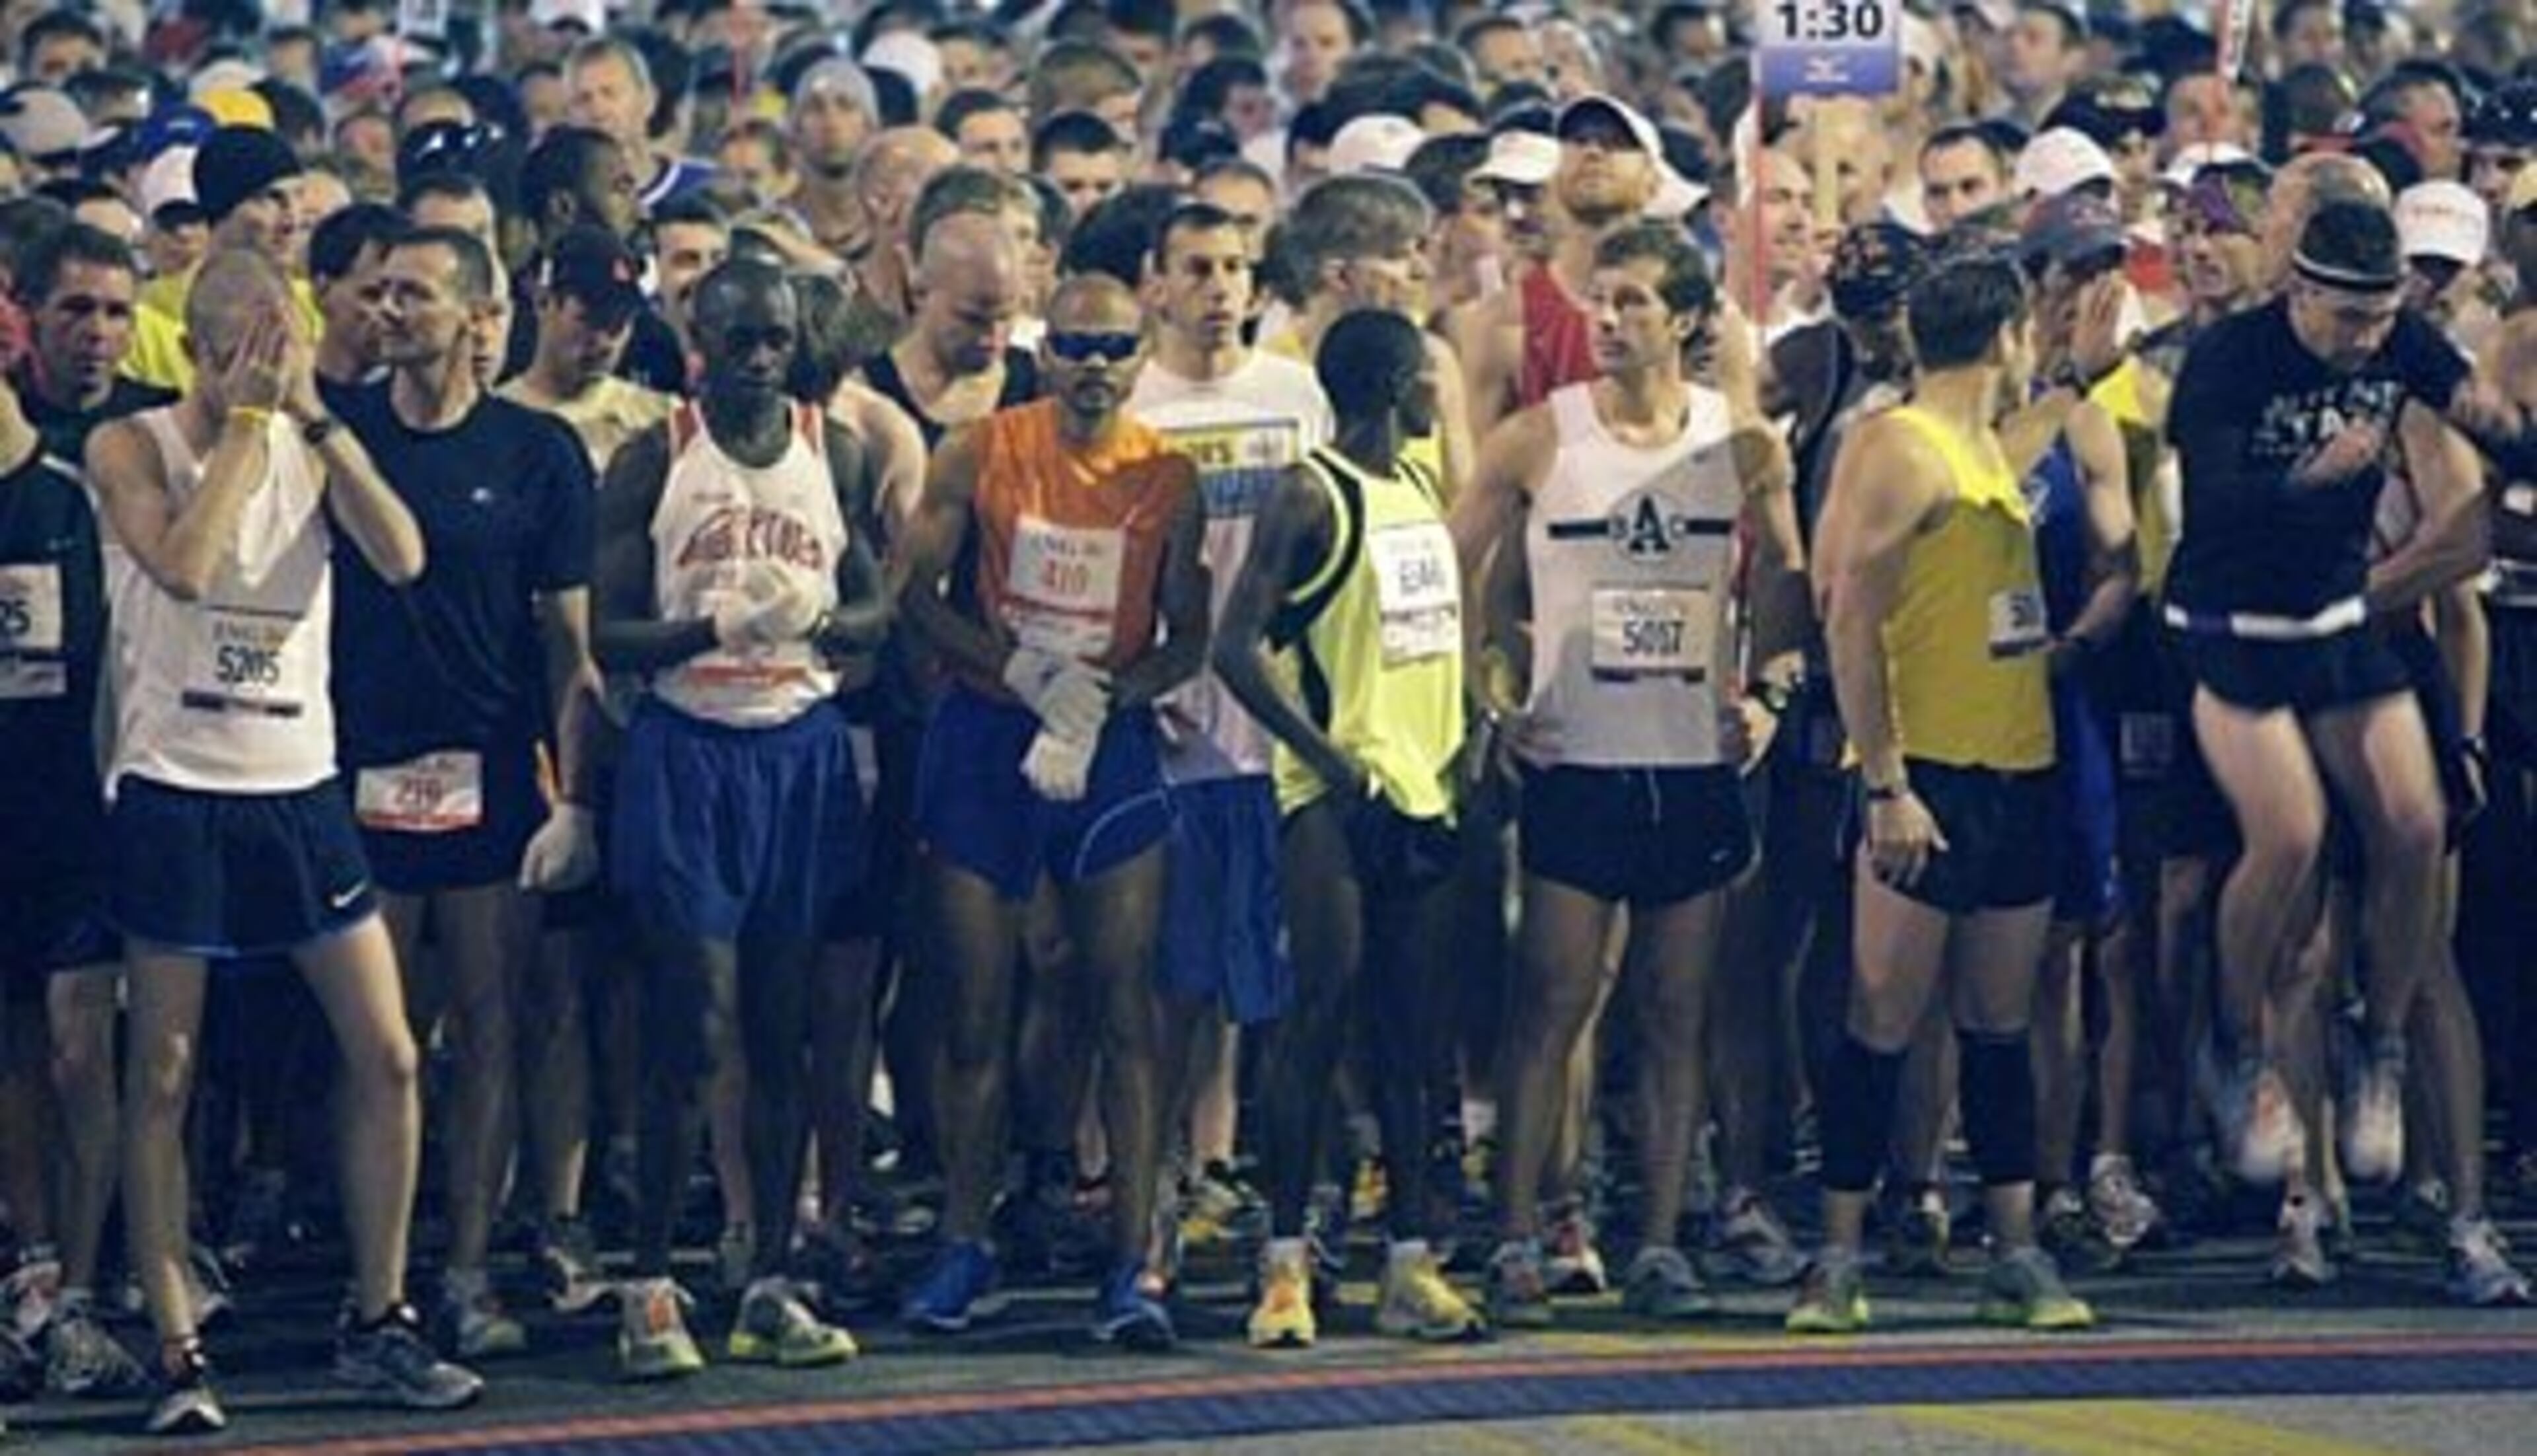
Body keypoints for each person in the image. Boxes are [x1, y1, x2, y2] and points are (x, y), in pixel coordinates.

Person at [85, 248, 479, 1434]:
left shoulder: (311, 438)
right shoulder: (131, 445)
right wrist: (247, 427)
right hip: (175, 787)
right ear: (205, 352)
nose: (275, 368)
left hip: (298, 786)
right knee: (163, 1072)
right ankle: (174, 1344)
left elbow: (404, 556)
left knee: (390, 1052)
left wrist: (315, 423)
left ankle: (381, 1314)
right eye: (253, 351)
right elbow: (191, 565)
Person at [1452, 224, 1803, 1325]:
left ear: (1689, 321)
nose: (1609, 320)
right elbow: (1449, 568)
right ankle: (1517, 1234)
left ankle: (1656, 1241)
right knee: (1550, 1006)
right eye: (1602, 301)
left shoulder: (1739, 442)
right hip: (1581, 763)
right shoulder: (1537, 439)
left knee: (1675, 1014)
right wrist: (1486, 698)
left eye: (1636, 302)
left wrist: (1769, 698)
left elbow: (1789, 580)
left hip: (1691, 765)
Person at [894, 273, 1206, 1350]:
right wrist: (1019, 669)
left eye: (1114, 346)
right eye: (1073, 343)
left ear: (1138, 352)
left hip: (1107, 751)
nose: (1093, 364)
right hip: (987, 739)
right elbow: (912, 597)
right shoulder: (980, 449)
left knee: (1126, 1009)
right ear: (1045, 349)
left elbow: (1192, 633)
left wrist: (1116, 693)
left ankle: (1133, 1260)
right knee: (977, 1013)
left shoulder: (1168, 472)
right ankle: (964, 1242)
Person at [1788, 250, 2095, 1336]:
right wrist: (1884, 782)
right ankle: (1835, 1255)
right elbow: (1847, 619)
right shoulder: (1899, 448)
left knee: (1999, 1025)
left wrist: (2079, 382)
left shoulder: (1978, 445)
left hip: (2019, 763)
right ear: (2006, 333)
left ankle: (2013, 1249)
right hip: (1929, 777)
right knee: (1881, 1019)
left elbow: (2021, 452)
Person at [593, 256, 887, 1380]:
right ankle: (653, 1280)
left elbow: (872, 607)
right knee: (693, 1025)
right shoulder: (651, 459)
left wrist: (820, 611)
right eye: (741, 340)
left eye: (777, 338)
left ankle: (769, 1275)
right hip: (688, 751)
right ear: (699, 341)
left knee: (785, 1029)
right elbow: (606, 634)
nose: (761, 358)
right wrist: (705, 625)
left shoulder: (835, 449)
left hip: (799, 754)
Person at [328, 225, 603, 1360]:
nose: (390, 311)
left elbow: (570, 648)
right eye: (380, 292)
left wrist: (575, 799)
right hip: (360, 772)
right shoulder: (338, 437)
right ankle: (371, 1280)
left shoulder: (538, 452)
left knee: (492, 1027)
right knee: (382, 1042)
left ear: (479, 317)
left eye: (416, 294)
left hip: (492, 773)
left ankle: (469, 1268)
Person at [1213, 309, 1485, 1350]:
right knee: (1315, 1025)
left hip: (1423, 789)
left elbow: (1423, 638)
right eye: (1427, 381)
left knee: (1414, 1040)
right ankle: (1285, 1262)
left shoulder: (1417, 488)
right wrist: (1328, 762)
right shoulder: (1309, 493)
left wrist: (1466, 731)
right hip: (1335, 800)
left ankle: (1410, 1262)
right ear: (1391, 384)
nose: (1437, 399)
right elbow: (1237, 647)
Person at [1124, 200, 1333, 1274]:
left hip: (1285, 725)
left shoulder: (1297, 395)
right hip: (1171, 722)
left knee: (1269, 970)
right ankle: (1152, 1190)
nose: (1218, 287)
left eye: (1235, 267)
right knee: (1174, 980)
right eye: (1196, 266)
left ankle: (1223, 1174)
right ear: (1154, 283)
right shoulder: (1135, 400)